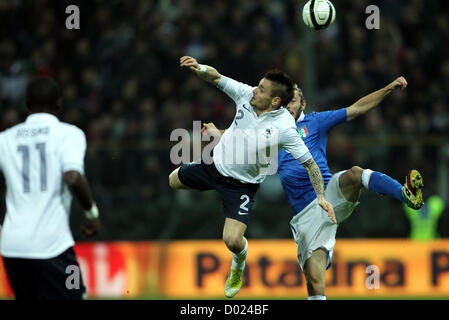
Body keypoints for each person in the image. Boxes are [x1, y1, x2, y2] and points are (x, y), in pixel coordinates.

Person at [203, 76, 424, 300]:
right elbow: (240, 138)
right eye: (286, 101)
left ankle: (404, 194)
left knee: (355, 174)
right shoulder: (271, 128)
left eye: (293, 101)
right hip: (306, 216)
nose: (288, 105)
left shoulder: (316, 122)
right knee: (314, 281)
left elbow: (356, 109)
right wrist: (218, 133)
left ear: (303, 104)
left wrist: (389, 87)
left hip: (329, 194)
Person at [169, 56, 336, 298]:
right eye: (258, 85)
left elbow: (311, 165)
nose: (255, 90)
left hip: (241, 186)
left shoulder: (285, 129)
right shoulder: (246, 95)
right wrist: (200, 68)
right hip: (214, 165)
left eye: (262, 89)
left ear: (275, 100)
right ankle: (201, 173)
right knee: (172, 181)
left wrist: (321, 196)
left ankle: (239, 262)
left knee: (232, 240)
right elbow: (216, 77)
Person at [0, 76, 100, 300]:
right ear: (59, 104)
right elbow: (73, 177)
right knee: (77, 295)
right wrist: (92, 214)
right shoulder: (69, 134)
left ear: (27, 105)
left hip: (12, 248)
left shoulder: (5, 139)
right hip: (54, 247)